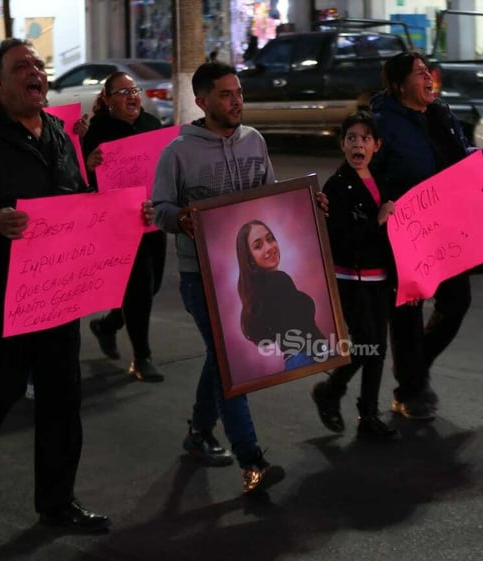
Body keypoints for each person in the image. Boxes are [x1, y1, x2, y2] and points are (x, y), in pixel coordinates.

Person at [0, 38, 117, 532]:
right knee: (2, 384)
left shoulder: (56, 132)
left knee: (61, 391)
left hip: (57, 285)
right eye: (21, 67)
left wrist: (115, 214)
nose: (35, 72)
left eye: (38, 64)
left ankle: (57, 503)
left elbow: (74, 201)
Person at [152, 61, 285, 495]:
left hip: (247, 277)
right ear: (202, 101)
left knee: (221, 357)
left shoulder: (255, 142)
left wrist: (303, 205)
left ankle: (197, 434)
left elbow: (271, 197)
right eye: (226, 95)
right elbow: (160, 210)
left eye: (239, 93)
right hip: (201, 277)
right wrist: (180, 219)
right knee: (232, 361)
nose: (236, 102)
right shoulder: (178, 153)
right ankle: (251, 460)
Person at [370, 51, 483, 420]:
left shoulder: (442, 116)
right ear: (397, 85)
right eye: (418, 73)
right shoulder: (382, 124)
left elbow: (460, 161)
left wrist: (479, 182)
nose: (428, 77)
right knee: (407, 312)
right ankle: (409, 391)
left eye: (428, 71)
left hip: (445, 229)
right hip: (405, 232)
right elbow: (368, 173)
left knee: (457, 301)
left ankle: (413, 370)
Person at [309, 110, 399, 437]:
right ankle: (348, 402)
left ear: (376, 145)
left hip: (380, 277)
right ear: (342, 145)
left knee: (376, 346)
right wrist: (378, 221)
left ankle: (356, 407)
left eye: (364, 138)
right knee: (368, 343)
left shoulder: (379, 178)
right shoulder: (338, 185)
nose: (357, 144)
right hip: (351, 277)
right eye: (350, 138)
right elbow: (344, 239)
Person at [83, 71, 167, 382]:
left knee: (153, 284)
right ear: (107, 100)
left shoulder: (151, 126)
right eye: (122, 92)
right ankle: (142, 356)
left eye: (135, 90)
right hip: (119, 223)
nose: (132, 96)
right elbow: (81, 179)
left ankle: (107, 325)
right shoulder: (97, 132)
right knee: (139, 286)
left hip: (151, 217)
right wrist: (89, 165)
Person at [236, 219, 327, 370]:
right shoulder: (278, 281)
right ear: (249, 258)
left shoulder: (259, 292)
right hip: (308, 356)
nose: (269, 247)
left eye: (270, 239)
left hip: (295, 359)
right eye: (258, 246)